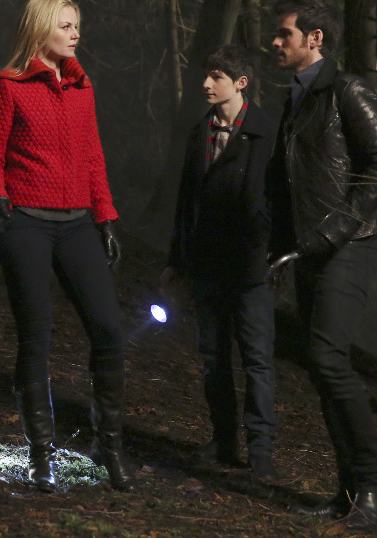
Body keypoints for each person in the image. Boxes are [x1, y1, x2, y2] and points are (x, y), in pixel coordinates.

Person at [0, 0, 135, 492]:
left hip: (77, 223)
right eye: (65, 25)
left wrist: (105, 218)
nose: (75, 33)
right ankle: (40, 453)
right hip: (25, 221)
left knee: (108, 330)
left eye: (76, 25)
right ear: (40, 28)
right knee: (37, 335)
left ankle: (108, 445)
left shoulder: (83, 88)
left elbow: (93, 157)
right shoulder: (9, 86)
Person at [267, 0, 377, 529]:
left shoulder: (347, 90)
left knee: (327, 360)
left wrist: (333, 231)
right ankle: (348, 492)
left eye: (285, 33)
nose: (275, 41)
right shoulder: (296, 98)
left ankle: (375, 489)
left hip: (349, 244)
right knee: (322, 368)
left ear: (314, 39)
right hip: (310, 248)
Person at [161, 44, 278, 479]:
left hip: (251, 269)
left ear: (241, 83)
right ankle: (225, 439)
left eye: (217, 77)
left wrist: (272, 255)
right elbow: (186, 201)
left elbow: (277, 202)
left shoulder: (266, 133)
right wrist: (177, 262)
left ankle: (261, 451)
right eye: (207, 75)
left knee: (257, 359)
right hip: (208, 266)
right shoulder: (201, 133)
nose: (207, 84)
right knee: (213, 356)